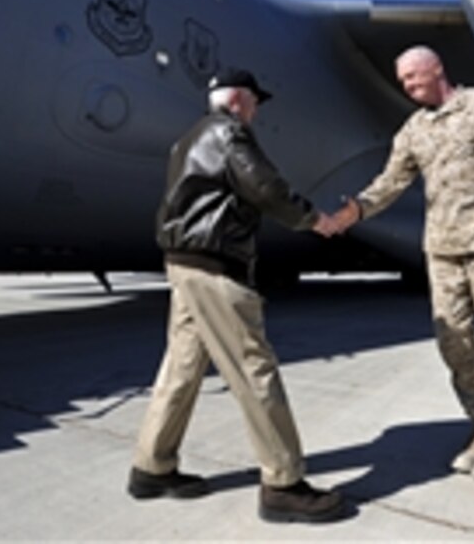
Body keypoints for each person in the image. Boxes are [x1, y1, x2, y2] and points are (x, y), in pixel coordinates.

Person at [129, 68, 347, 523]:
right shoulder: (230, 133)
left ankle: (152, 467)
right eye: (255, 102)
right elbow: (265, 187)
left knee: (182, 367)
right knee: (254, 369)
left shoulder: (186, 139)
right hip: (214, 267)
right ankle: (284, 483)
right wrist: (315, 219)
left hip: (182, 263)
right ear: (239, 100)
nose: (257, 111)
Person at [329, 45, 474, 487]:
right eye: (402, 80)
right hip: (442, 248)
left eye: (412, 76)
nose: (407, 86)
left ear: (436, 68)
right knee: (454, 342)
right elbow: (391, 181)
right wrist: (356, 211)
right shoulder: (413, 130)